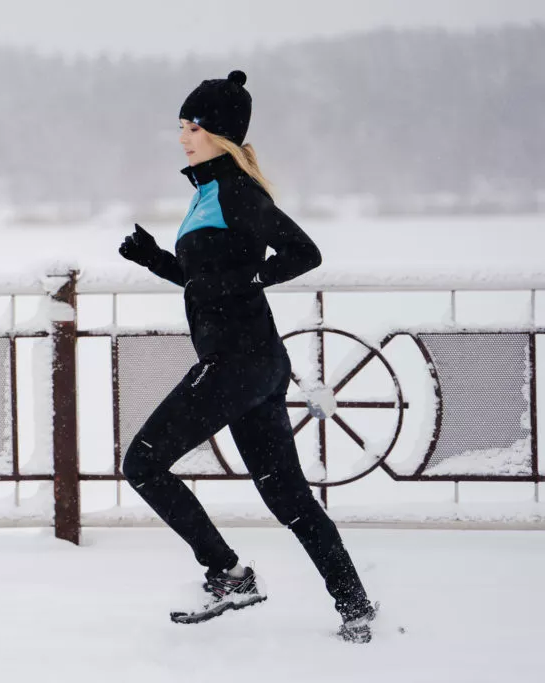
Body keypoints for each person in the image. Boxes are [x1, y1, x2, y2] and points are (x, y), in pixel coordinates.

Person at [117, 70, 376, 643]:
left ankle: (229, 574)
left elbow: (302, 253)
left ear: (222, 135)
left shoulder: (235, 190)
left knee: (142, 464)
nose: (183, 137)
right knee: (288, 497)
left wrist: (245, 279)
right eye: (181, 127)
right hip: (253, 364)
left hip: (236, 363)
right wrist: (156, 258)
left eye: (194, 127)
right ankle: (354, 606)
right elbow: (204, 278)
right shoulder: (207, 193)